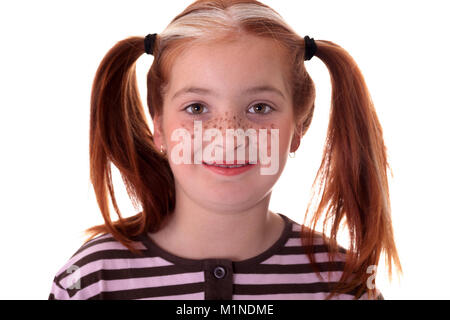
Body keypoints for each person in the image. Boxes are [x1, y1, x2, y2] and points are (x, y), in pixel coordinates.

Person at [48, 0, 401, 300]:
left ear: (299, 127)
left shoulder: (345, 284)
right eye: (197, 108)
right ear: (158, 128)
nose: (229, 136)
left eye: (259, 108)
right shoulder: (91, 281)